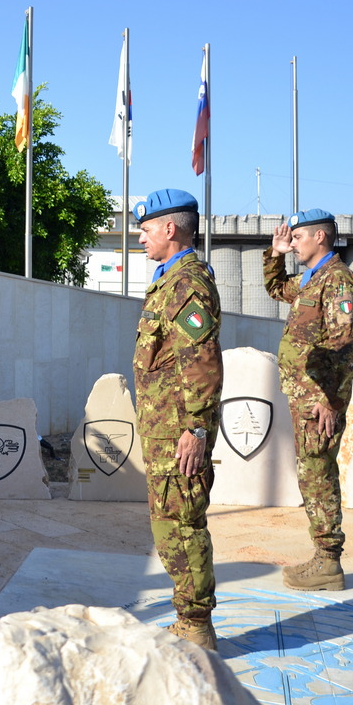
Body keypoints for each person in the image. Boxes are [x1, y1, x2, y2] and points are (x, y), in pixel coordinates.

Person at [132, 188, 223, 651]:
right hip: (165, 429)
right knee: (170, 523)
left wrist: (196, 429)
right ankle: (189, 617)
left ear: (170, 228)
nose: (141, 237)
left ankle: (196, 625)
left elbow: (202, 361)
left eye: (146, 229)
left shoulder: (187, 283)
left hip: (179, 431)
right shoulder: (170, 281)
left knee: (182, 525)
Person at [264, 209, 353, 591]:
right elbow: (277, 289)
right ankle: (324, 556)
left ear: (320, 237)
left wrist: (330, 400)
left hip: (319, 402)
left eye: (297, 238)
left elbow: (346, 345)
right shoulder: (312, 280)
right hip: (306, 398)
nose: (293, 245)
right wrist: (275, 254)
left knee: (318, 475)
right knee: (311, 473)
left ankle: (328, 561)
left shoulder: (337, 280)